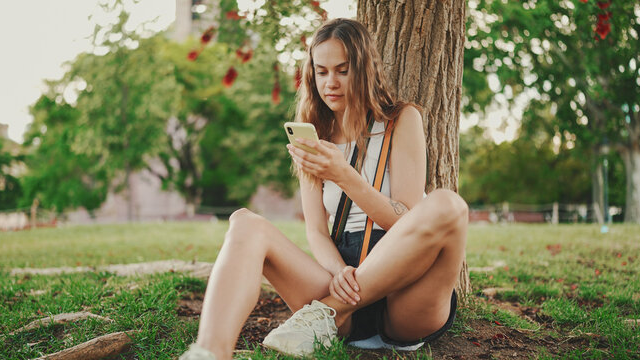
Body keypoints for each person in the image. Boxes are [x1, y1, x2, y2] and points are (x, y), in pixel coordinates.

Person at [179, 18, 468, 360]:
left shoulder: (402, 120)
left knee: (448, 205)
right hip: (341, 276)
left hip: (403, 295)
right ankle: (209, 352)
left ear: (364, 69)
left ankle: (327, 312)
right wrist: (337, 271)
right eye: (321, 71)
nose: (330, 82)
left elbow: (402, 219)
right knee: (244, 222)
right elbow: (316, 230)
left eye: (342, 70)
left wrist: (344, 175)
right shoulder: (315, 134)